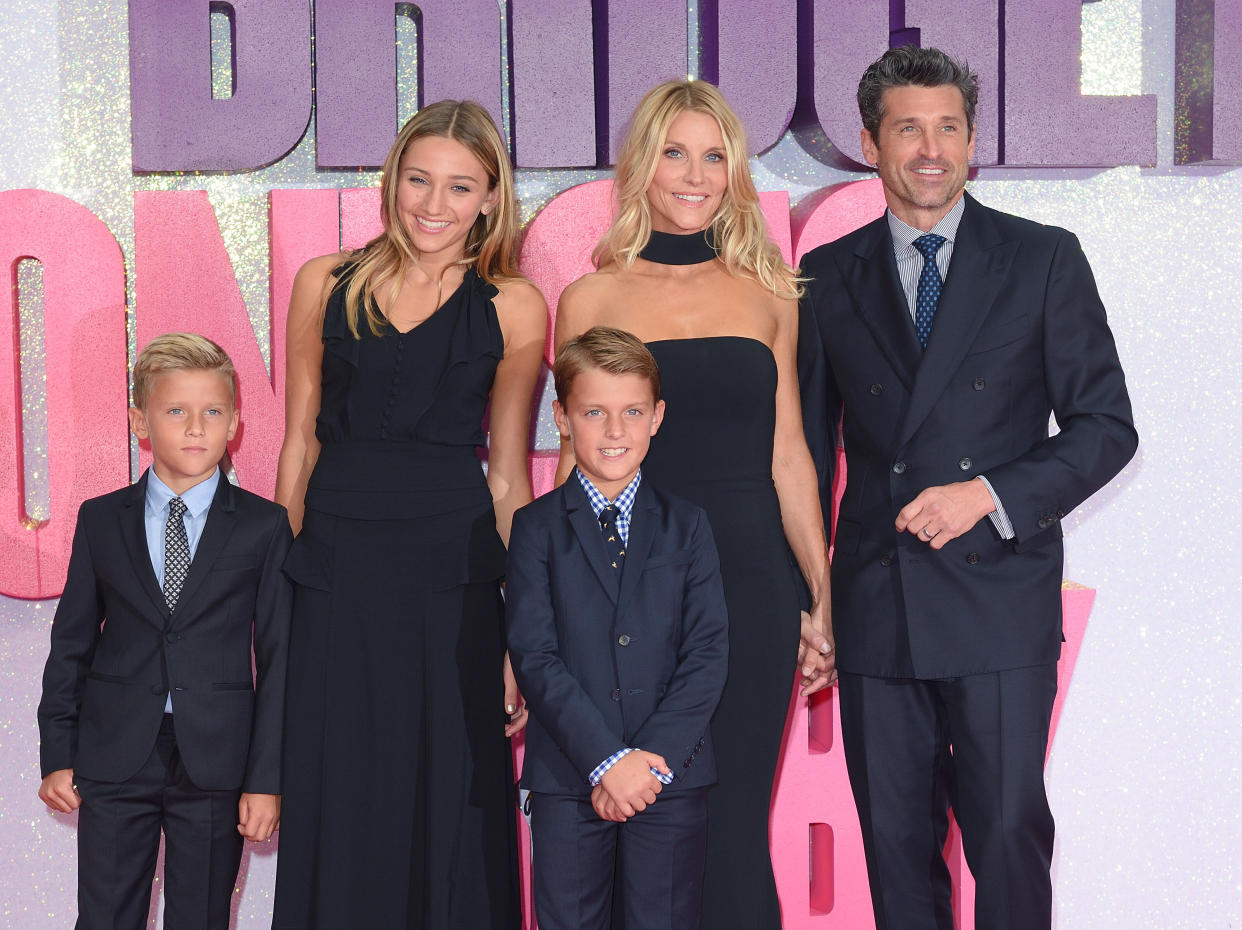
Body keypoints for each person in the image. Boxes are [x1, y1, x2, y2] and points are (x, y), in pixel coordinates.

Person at [797, 46, 1139, 930]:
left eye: (948, 126)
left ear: (973, 141)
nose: (930, 148)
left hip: (997, 596)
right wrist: (813, 601)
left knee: (1009, 837)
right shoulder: (826, 277)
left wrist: (985, 492)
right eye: (908, 127)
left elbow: (1107, 429)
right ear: (871, 144)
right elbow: (801, 454)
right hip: (879, 600)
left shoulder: (1041, 259)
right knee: (897, 853)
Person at [555, 80, 835, 927]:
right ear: (642, 164)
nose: (695, 174)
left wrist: (818, 598)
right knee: (643, 820)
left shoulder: (770, 291)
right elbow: (584, 463)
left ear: (735, 172)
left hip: (750, 577)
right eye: (675, 152)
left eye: (714, 156)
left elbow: (791, 456)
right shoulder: (590, 299)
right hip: (627, 584)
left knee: (735, 816)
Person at [271, 100, 546, 929]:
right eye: (418, 179)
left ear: (491, 198)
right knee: (337, 785)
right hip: (333, 573)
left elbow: (506, 477)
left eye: (460, 186)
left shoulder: (516, 306)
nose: (434, 204)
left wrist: (521, 634)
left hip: (452, 584)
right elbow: (298, 448)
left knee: (452, 795)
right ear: (390, 182)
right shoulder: (325, 281)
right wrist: (271, 596)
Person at [36, 333, 292, 930]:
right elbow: (71, 644)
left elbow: (279, 659)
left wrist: (266, 779)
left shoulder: (264, 526)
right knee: (104, 915)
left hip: (217, 761)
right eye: (176, 411)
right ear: (139, 421)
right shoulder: (101, 520)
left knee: (202, 917)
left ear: (235, 424)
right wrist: (57, 752)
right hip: (115, 753)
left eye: (213, 412)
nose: (196, 427)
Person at [507, 326, 729, 930]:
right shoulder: (535, 530)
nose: (614, 432)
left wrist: (647, 761)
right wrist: (607, 761)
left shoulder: (688, 526)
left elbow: (707, 652)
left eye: (631, 412)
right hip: (568, 775)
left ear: (656, 417)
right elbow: (534, 655)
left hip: (669, 776)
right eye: (593, 412)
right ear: (561, 417)